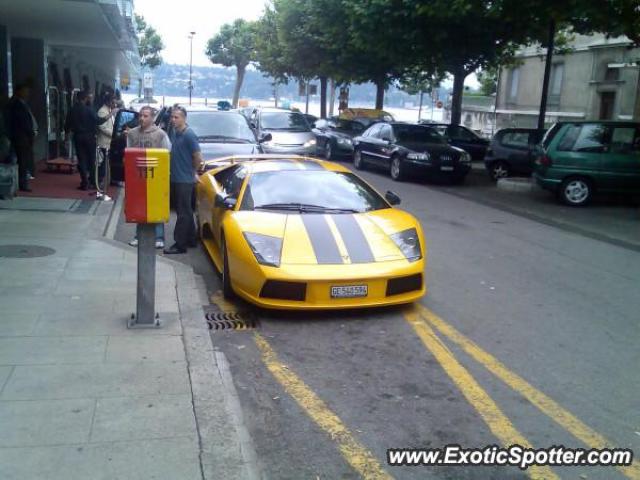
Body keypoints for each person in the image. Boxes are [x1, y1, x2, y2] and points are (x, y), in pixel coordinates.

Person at [127, 105, 171, 249]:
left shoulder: (161, 134)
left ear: (152, 118)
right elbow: (128, 153)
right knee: (139, 206)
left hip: (156, 176)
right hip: (138, 176)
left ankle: (158, 237)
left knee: (156, 206)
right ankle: (138, 236)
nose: (142, 118)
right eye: (140, 115)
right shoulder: (132, 133)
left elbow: (167, 153)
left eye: (145, 116)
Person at [164, 105, 202, 255]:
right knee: (185, 210)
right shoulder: (174, 132)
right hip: (176, 177)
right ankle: (191, 239)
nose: (173, 120)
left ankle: (180, 244)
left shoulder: (189, 135)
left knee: (182, 213)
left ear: (184, 118)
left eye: (176, 117)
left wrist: (193, 172)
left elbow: (198, 157)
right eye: (172, 117)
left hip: (184, 180)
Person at [65, 90, 98, 190]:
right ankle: (93, 181)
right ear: (85, 98)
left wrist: (66, 135)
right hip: (90, 136)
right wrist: (109, 116)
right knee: (92, 160)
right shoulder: (89, 110)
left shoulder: (72, 109)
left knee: (81, 159)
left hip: (78, 136)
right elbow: (98, 120)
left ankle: (84, 182)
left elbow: (67, 124)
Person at [7, 83, 37, 192]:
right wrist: (30, 133)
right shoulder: (16, 105)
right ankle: (22, 183)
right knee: (22, 160)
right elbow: (22, 122)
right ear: (18, 91)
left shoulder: (22, 104)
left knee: (22, 160)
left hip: (22, 137)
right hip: (20, 137)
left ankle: (22, 181)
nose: (27, 93)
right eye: (25, 91)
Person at [96, 88, 117, 197]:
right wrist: (113, 134)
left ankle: (109, 179)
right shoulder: (102, 111)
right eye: (112, 102)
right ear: (108, 102)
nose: (114, 104)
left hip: (109, 141)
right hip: (104, 141)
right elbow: (102, 126)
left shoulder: (109, 111)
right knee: (103, 163)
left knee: (108, 163)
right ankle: (99, 181)